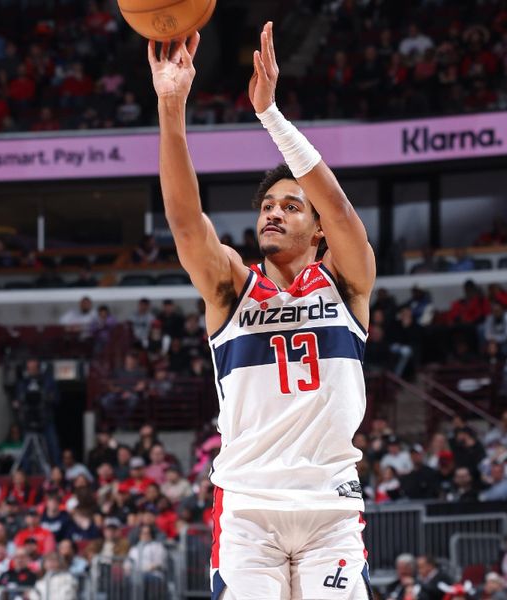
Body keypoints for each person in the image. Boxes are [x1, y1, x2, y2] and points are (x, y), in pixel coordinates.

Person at [148, 22, 376, 598]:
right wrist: (171, 105)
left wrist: (270, 115)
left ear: (318, 229)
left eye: (292, 207)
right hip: (248, 508)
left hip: (331, 506)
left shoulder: (347, 283)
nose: (272, 214)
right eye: (267, 206)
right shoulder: (231, 286)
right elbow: (182, 221)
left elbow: (345, 214)